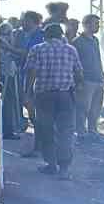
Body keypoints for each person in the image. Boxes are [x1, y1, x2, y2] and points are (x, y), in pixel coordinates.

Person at [23, 23, 83, 178]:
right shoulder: (71, 50)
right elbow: (79, 72)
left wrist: (27, 93)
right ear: (61, 35)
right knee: (65, 132)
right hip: (65, 96)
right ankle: (64, 169)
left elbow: (32, 72)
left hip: (44, 97)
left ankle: (51, 165)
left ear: (46, 35)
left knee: (47, 130)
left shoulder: (37, 49)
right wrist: (76, 88)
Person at [12, 11, 45, 155]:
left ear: (32, 21)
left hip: (36, 80)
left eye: (24, 20)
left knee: (37, 113)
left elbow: (29, 56)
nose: (22, 23)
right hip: (27, 77)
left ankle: (40, 146)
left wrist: (8, 47)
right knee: (34, 113)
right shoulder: (26, 35)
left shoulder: (39, 37)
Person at [72, 15, 104, 140]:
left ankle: (93, 129)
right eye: (95, 23)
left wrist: (102, 73)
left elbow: (98, 58)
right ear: (86, 25)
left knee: (96, 107)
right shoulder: (77, 42)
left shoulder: (95, 40)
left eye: (98, 23)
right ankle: (80, 130)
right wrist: (78, 80)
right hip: (85, 79)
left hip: (98, 78)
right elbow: (75, 63)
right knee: (83, 107)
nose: (98, 26)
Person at [0, 21, 21, 140]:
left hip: (8, 74)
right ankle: (7, 130)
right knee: (7, 103)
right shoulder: (2, 42)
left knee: (9, 103)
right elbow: (9, 56)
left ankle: (8, 129)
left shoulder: (3, 42)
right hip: (5, 76)